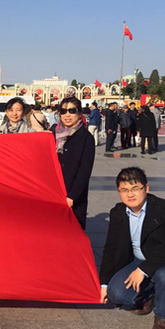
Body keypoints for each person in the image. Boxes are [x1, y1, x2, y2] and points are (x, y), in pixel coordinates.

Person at [99, 167, 165, 329]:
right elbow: (111, 248)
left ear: (146, 188)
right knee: (117, 293)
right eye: (124, 190)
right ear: (119, 192)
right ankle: (149, 295)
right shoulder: (118, 212)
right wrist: (104, 284)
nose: (130, 194)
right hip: (138, 260)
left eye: (135, 188)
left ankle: (164, 318)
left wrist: (143, 270)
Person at [52, 97, 95, 230]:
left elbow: (85, 170)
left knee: (73, 230)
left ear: (79, 113)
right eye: (63, 111)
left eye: (72, 111)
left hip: (74, 195)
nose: (67, 115)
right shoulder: (52, 134)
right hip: (54, 192)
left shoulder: (86, 137)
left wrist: (72, 196)